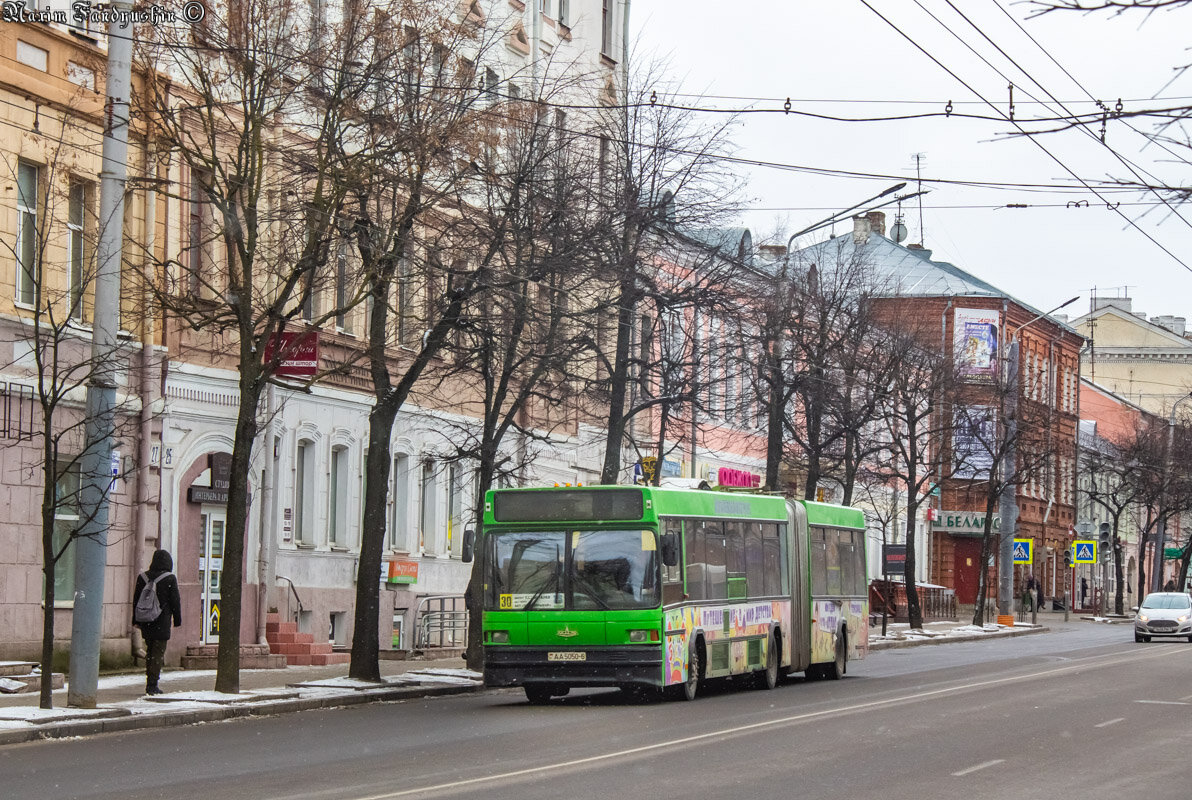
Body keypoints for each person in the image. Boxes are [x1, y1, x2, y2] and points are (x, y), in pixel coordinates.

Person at [132, 549, 182, 695]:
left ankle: (150, 680)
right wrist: (177, 620)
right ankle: (152, 684)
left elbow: (136, 601)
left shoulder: (142, 577)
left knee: (150, 651)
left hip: (146, 620)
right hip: (161, 621)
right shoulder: (169, 578)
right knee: (158, 653)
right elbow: (175, 601)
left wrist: (135, 620)